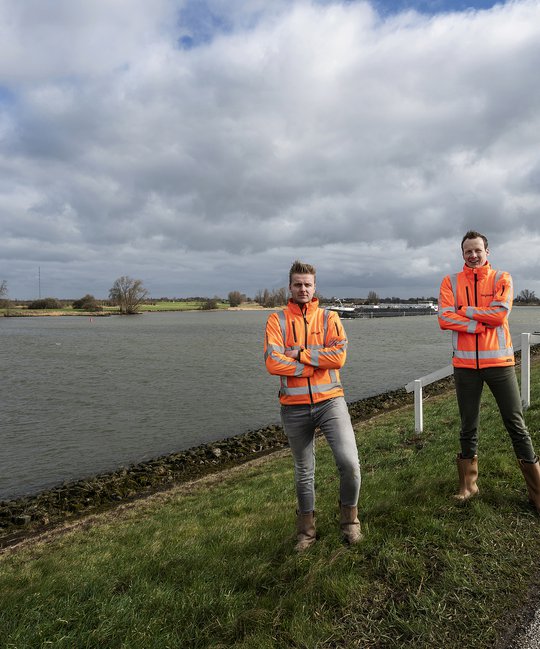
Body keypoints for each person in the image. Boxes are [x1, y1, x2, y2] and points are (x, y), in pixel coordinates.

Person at [438, 230, 540, 511]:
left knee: (516, 425)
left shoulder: (501, 278)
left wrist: (466, 310)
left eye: (477, 251)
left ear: (487, 252)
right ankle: (468, 485)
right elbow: (444, 318)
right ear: (462, 254)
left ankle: (537, 491)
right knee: (467, 426)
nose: (473, 255)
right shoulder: (450, 281)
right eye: (468, 251)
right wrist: (475, 324)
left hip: (500, 365)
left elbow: (499, 315)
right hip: (465, 367)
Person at [264, 260, 362, 551]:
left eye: (307, 284)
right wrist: (313, 365)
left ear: (315, 287)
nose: (303, 289)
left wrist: (301, 354)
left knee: (350, 464)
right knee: (304, 472)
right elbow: (272, 361)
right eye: (297, 284)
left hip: (330, 402)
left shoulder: (330, 318)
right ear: (290, 287)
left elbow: (339, 358)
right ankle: (306, 533)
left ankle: (350, 523)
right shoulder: (277, 320)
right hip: (293, 407)